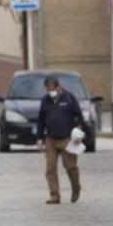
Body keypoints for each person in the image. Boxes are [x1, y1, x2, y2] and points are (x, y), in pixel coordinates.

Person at [36, 76, 85, 204]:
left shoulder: (69, 98)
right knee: (50, 168)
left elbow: (79, 116)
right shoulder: (45, 100)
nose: (50, 91)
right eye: (47, 89)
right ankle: (54, 196)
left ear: (57, 86)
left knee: (70, 167)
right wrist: (40, 138)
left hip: (67, 138)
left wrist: (79, 132)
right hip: (51, 139)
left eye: (52, 88)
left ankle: (76, 188)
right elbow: (40, 120)